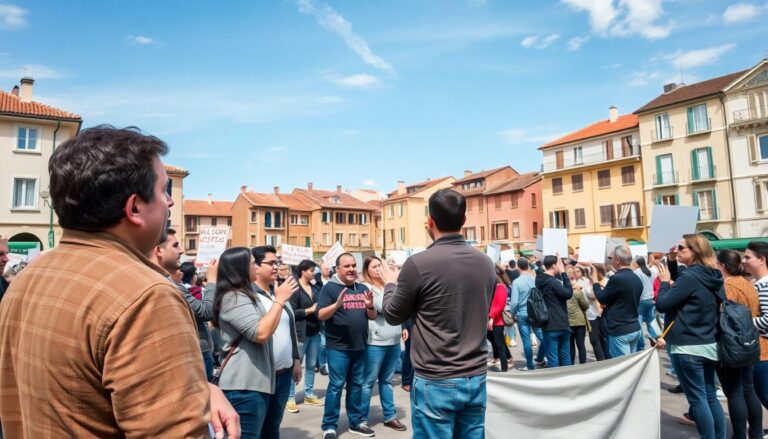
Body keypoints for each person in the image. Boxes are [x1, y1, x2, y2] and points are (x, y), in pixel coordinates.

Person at [0, 126, 239, 438]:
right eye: (164, 190)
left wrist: (193, 388)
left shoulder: (27, 278)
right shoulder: (146, 296)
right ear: (135, 208)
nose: (169, 202)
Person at [382, 188, 495, 439]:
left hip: (436, 378)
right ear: (464, 220)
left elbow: (392, 315)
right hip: (475, 375)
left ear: (430, 221)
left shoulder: (418, 263)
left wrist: (389, 283)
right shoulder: (486, 262)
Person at [212, 246, 301, 439]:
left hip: (259, 382)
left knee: (269, 431)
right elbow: (261, 333)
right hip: (244, 386)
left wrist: (294, 358)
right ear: (240, 268)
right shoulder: (233, 297)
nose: (256, 267)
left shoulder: (247, 295)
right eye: (253, 263)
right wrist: (280, 300)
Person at [655, 234, 726, 439]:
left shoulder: (690, 277)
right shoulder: (712, 274)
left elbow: (663, 304)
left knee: (697, 399)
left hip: (687, 345)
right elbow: (685, 290)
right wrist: (672, 262)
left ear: (695, 251)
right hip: (708, 342)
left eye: (681, 248)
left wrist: (664, 283)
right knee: (710, 396)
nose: (676, 250)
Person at [317, 253, 377, 439]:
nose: (351, 269)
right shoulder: (329, 288)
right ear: (338, 269)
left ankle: (356, 422)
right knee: (336, 386)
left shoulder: (362, 288)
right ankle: (329, 426)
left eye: (353, 265)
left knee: (356, 386)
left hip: (360, 347)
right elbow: (320, 315)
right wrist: (336, 305)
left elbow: (372, 316)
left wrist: (370, 306)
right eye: (347, 266)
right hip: (338, 348)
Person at [149, 229, 216, 381]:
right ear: (159, 251)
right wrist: (212, 280)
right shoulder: (167, 284)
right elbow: (205, 312)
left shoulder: (165, 281)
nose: (181, 250)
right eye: (175, 245)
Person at [714, 250, 763, 439]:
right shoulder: (747, 283)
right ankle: (756, 433)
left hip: (733, 343)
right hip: (751, 342)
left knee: (734, 392)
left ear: (722, 265)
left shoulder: (727, 287)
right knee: (749, 389)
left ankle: (740, 435)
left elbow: (723, 317)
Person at [360, 256, 408, 432]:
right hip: (375, 342)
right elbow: (383, 306)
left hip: (393, 341)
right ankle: (361, 419)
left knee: (386, 381)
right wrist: (390, 284)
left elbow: (400, 307)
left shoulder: (390, 286)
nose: (379, 269)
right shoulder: (366, 288)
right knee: (368, 382)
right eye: (375, 266)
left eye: (380, 265)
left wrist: (403, 326)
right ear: (367, 271)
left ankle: (390, 416)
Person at [591, 246, 643, 358]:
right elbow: (623, 299)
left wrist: (595, 281)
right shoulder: (636, 277)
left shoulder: (617, 278)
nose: (610, 260)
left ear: (618, 260)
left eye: (611, 258)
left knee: (623, 365)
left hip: (620, 330)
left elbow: (601, 297)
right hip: (633, 327)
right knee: (630, 363)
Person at [286, 259, 324, 412]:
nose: (314, 273)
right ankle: (290, 397)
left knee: (311, 366)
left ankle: (309, 394)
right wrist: (309, 310)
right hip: (300, 334)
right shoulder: (295, 289)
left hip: (315, 332)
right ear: (303, 271)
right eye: (311, 270)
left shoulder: (315, 288)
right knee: (295, 365)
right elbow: (291, 312)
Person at [536, 254, 574, 368]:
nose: (560, 267)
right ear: (553, 266)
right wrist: (563, 273)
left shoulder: (539, 280)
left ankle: (555, 380)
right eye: (559, 265)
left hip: (548, 324)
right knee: (565, 357)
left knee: (552, 359)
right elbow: (568, 293)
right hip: (561, 322)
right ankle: (567, 379)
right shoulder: (554, 282)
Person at [510, 257, 546, 370]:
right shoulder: (534, 279)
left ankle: (530, 365)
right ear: (527, 266)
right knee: (543, 337)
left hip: (522, 313)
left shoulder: (516, 282)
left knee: (526, 340)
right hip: (535, 312)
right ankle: (540, 358)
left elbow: (514, 302)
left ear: (518, 267)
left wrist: (512, 314)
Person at [744, 240, 768, 409]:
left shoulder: (764, 285)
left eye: (748, 257)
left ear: (762, 259)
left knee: (764, 393)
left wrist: (743, 323)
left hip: (763, 348)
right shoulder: (757, 283)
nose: (744, 261)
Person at [633, 256, 660, 351]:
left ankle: (640, 345)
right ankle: (658, 337)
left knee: (639, 322)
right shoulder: (650, 272)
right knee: (651, 320)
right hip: (650, 298)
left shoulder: (636, 272)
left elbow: (637, 287)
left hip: (642, 300)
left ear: (636, 263)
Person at [488, 267, 512, 371]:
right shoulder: (493, 287)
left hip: (497, 321)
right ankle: (507, 357)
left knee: (499, 344)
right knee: (496, 341)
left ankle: (504, 368)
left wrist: (492, 318)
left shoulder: (501, 287)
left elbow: (499, 305)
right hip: (490, 320)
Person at [566, 266, 590, 365]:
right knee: (581, 345)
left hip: (568, 322)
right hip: (580, 322)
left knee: (570, 346)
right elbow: (586, 305)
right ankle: (583, 365)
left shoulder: (563, 291)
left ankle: (572, 365)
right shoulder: (577, 291)